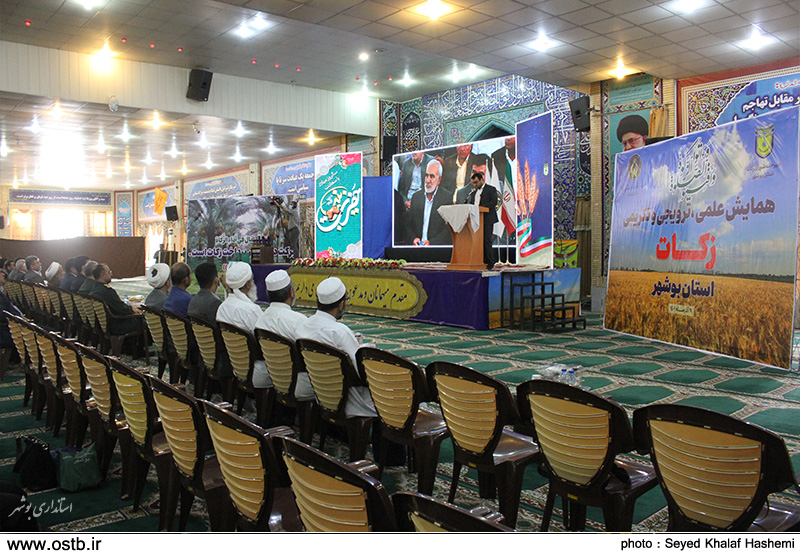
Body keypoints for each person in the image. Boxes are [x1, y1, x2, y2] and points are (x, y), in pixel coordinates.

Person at [295, 277, 376, 418]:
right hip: (346, 399)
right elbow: (360, 372)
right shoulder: (339, 332)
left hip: (318, 392)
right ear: (341, 304)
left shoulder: (303, 326)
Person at [255, 269, 313, 400]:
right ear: (292, 292)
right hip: (297, 383)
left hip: (273, 377)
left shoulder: (260, 319)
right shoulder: (298, 321)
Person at [215, 262, 271, 389]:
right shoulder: (251, 310)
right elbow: (263, 342)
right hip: (255, 369)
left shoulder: (222, 307)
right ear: (247, 285)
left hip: (234, 365)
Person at [89, 263, 141, 335]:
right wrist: (132, 309)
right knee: (144, 322)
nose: (111, 274)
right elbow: (122, 309)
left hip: (102, 324)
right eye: (109, 272)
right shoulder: (107, 291)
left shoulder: (95, 288)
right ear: (102, 275)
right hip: (115, 325)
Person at [409, 159, 451, 246]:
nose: (428, 180)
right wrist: (413, 238)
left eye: (432, 176)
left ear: (439, 180)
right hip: (417, 247)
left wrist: (431, 243)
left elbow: (448, 229)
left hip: (435, 248)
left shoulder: (446, 198)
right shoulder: (416, 197)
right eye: (426, 176)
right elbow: (408, 225)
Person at [463, 170, 499, 269]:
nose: (474, 185)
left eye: (476, 182)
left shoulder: (491, 189)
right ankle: (480, 260)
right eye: (473, 183)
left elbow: (494, 202)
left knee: (487, 241)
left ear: (481, 180)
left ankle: (490, 262)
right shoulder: (474, 192)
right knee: (478, 241)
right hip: (476, 219)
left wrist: (481, 208)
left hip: (487, 219)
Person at [0, 270, 22, 380]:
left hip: (10, 326)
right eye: (0, 273)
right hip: (5, 331)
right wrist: (18, 320)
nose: (3, 274)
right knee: (43, 334)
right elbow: (2, 315)